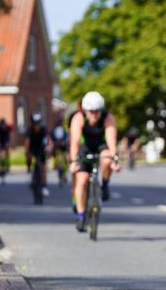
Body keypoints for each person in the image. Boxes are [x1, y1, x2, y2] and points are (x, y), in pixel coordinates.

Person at [69, 91, 120, 232]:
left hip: (100, 146)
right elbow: (75, 141)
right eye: (91, 112)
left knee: (106, 158)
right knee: (82, 180)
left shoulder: (107, 118)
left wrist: (114, 158)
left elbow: (111, 140)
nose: (94, 115)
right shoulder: (78, 118)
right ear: (85, 111)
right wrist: (74, 161)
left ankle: (105, 185)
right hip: (84, 148)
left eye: (97, 112)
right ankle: (81, 216)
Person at [24, 113, 50, 196]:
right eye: (35, 123)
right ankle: (29, 167)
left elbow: (47, 141)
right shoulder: (29, 130)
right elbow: (27, 142)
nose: (37, 125)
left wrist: (48, 148)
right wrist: (27, 152)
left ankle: (44, 186)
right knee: (29, 157)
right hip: (32, 148)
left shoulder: (43, 130)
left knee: (43, 167)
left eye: (38, 123)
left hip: (41, 149)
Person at [50, 117, 70, 185]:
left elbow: (67, 138)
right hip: (58, 148)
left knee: (64, 161)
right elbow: (51, 138)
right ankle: (61, 174)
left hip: (62, 148)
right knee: (60, 162)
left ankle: (63, 174)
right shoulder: (60, 130)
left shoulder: (63, 130)